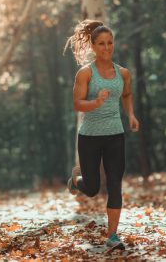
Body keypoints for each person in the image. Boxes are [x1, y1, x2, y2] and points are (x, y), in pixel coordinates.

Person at [64, 19, 140, 250]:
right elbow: (77, 104)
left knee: (115, 184)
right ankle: (76, 181)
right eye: (101, 44)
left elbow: (126, 94)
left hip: (115, 135)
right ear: (93, 46)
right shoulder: (85, 74)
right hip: (89, 137)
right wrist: (96, 101)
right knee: (93, 188)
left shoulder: (123, 73)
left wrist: (131, 115)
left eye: (110, 43)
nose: (106, 48)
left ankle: (113, 236)